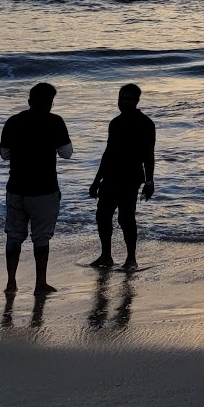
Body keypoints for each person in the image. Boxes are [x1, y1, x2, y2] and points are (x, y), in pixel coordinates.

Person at [0, 81, 73, 295]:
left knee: (14, 236)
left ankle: (11, 283)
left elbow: (4, 155)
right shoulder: (55, 122)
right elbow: (66, 153)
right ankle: (40, 283)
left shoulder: (13, 121)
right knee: (41, 237)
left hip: (16, 187)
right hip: (45, 188)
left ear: (29, 101)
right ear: (50, 103)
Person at [87, 83, 156, 272]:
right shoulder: (115, 123)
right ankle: (106, 256)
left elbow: (149, 155)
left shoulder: (146, 124)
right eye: (121, 98)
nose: (124, 102)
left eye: (129, 99)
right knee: (102, 216)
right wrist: (95, 181)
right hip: (110, 176)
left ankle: (131, 258)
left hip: (131, 178)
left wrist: (149, 182)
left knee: (126, 219)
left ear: (136, 101)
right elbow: (107, 153)